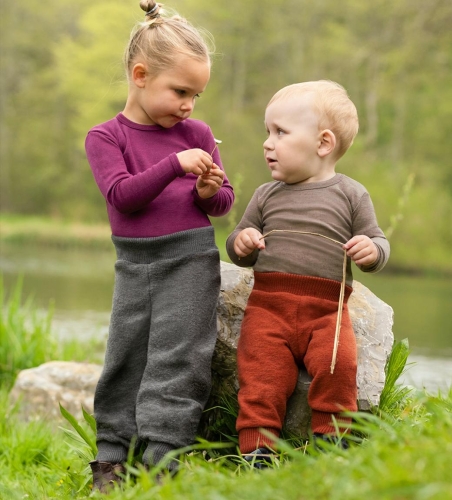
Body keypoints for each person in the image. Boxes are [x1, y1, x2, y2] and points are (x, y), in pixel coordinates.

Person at [85, 1, 234, 491]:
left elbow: (223, 202)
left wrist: (210, 192)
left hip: (191, 259)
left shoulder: (198, 134)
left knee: (180, 358)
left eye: (197, 94)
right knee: (126, 354)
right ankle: (111, 456)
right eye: (181, 91)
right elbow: (122, 198)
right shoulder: (106, 137)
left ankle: (163, 456)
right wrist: (174, 165)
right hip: (136, 263)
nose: (189, 105)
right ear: (141, 75)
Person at [226, 80, 390, 466]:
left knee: (339, 367)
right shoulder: (266, 195)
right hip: (268, 307)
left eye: (280, 132)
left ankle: (332, 443)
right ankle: (257, 449)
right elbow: (237, 246)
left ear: (323, 143)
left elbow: (379, 243)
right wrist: (243, 241)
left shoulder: (351, 195)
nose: (268, 143)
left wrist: (371, 251)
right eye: (267, 132)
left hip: (327, 313)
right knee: (261, 373)